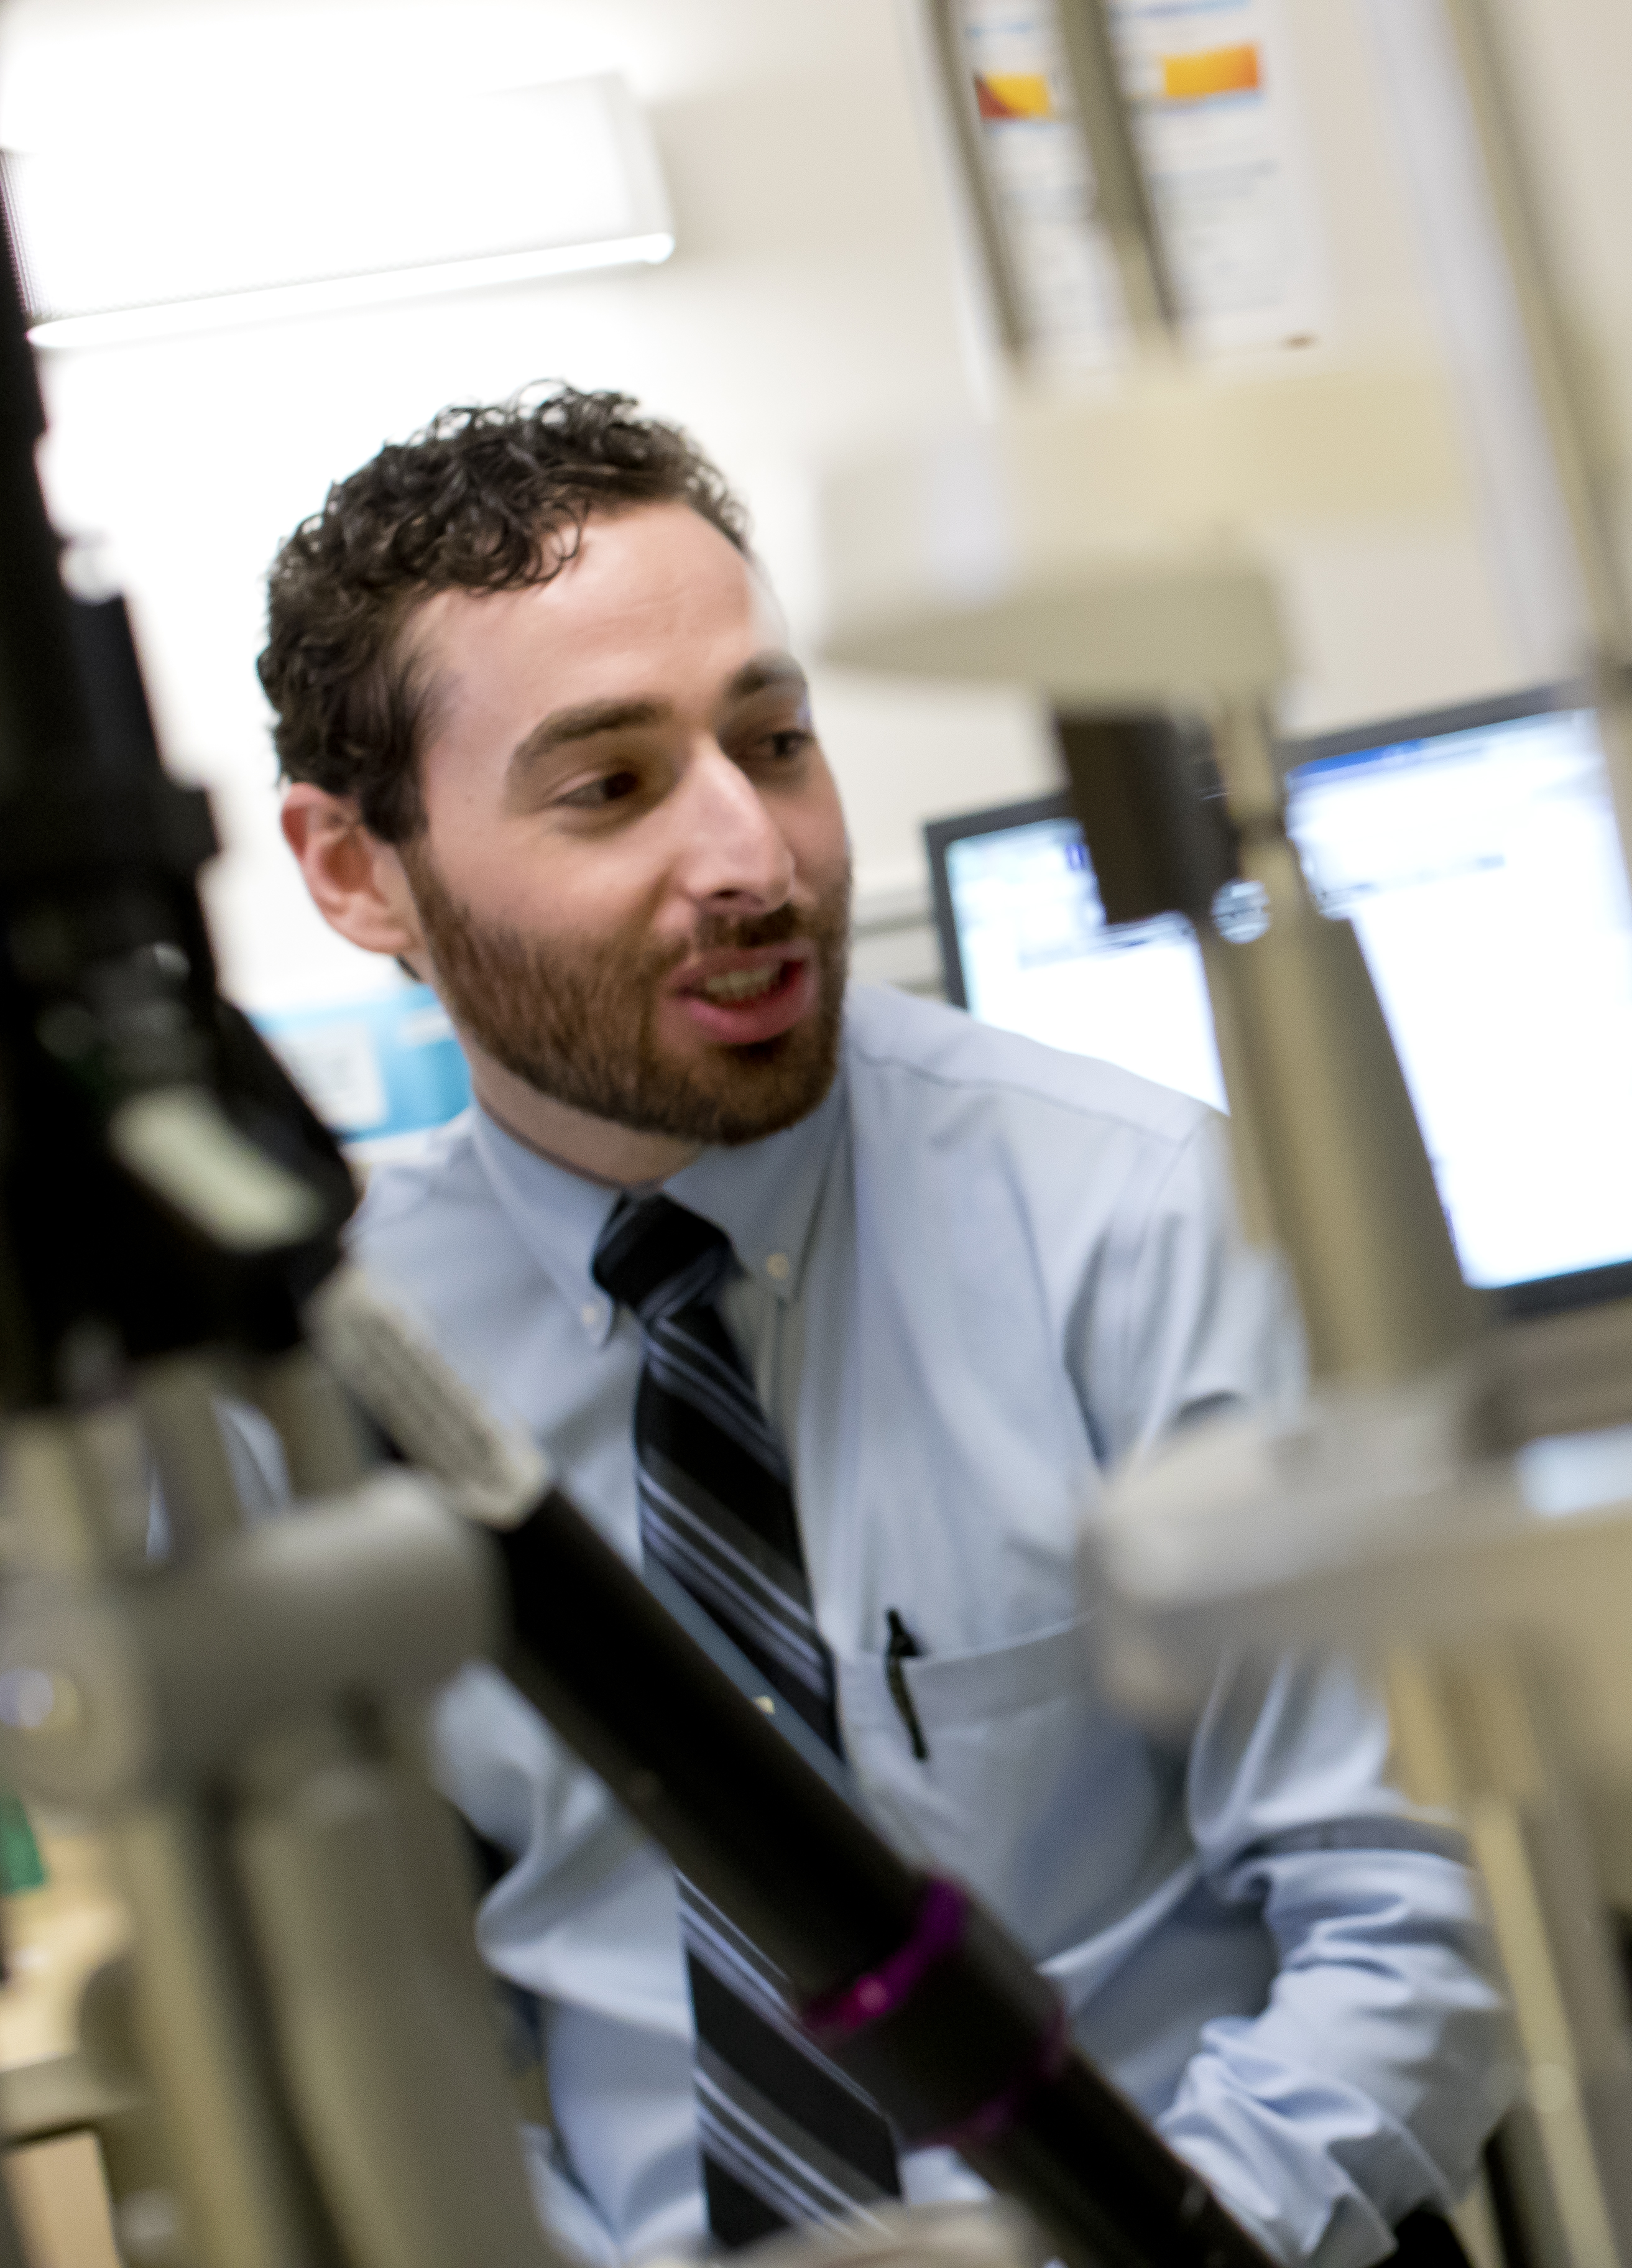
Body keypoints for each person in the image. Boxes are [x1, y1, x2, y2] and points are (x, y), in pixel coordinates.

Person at [267, 387, 1510, 2267]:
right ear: (363, 875)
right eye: (608, 786)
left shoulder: (1137, 1216)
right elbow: (383, 2033)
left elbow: (1415, 1907)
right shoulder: (334, 1370)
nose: (753, 858)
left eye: (775, 743)